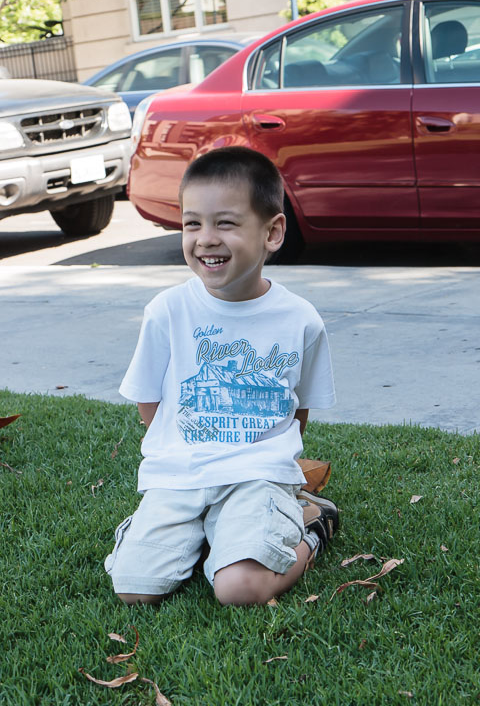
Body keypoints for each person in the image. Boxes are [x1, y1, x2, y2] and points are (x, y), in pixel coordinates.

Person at [105, 146, 338, 606]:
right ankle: (214, 533)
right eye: (192, 223)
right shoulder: (167, 311)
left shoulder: (300, 320)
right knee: (133, 587)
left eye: (226, 223)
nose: (205, 239)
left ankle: (312, 524)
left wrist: (270, 464)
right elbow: (149, 399)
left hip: (257, 477)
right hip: (179, 477)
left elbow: (296, 409)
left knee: (238, 588)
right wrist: (186, 448)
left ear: (272, 232)